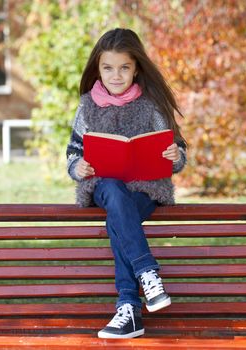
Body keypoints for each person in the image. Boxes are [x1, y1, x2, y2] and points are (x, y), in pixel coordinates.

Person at [66, 28, 187, 339]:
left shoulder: (151, 104)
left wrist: (175, 155)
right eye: (108, 68)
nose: (115, 76)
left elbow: (178, 150)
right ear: (98, 69)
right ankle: (147, 272)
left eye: (124, 68)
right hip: (103, 186)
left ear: (136, 68)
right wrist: (77, 167)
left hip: (145, 189)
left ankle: (129, 310)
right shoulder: (87, 106)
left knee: (120, 216)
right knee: (113, 191)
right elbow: (73, 153)